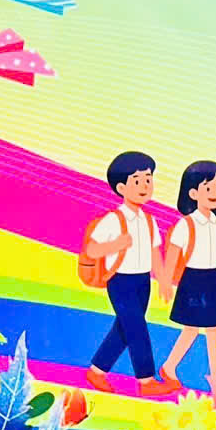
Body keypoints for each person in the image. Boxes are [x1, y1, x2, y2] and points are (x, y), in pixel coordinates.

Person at [84, 152, 181, 397]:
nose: (144, 186)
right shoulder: (113, 220)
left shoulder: (148, 220)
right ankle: (146, 381)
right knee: (137, 329)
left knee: (124, 328)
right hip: (120, 281)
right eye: (137, 181)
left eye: (148, 179)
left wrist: (163, 279)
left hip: (142, 281)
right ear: (121, 188)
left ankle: (96, 371)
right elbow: (92, 249)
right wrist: (115, 244)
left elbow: (154, 251)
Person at [158, 160, 216, 391]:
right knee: (191, 328)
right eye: (208, 187)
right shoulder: (186, 225)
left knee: (215, 329)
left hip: (214, 280)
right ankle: (169, 367)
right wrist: (165, 281)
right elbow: (173, 254)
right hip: (193, 280)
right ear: (193, 193)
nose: (215, 192)